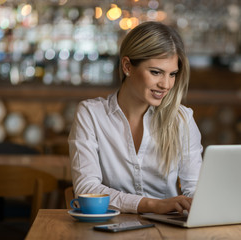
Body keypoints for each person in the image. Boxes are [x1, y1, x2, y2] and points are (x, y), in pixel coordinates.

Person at [68, 21, 203, 214]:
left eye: (172, 74)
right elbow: (86, 189)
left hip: (168, 231)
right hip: (109, 229)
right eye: (156, 72)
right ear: (127, 66)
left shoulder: (182, 119)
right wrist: (154, 205)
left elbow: (195, 189)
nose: (166, 84)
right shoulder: (90, 115)